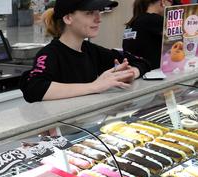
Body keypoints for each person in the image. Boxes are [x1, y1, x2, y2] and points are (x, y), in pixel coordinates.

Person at [20, 0, 151, 103]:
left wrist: (130, 74)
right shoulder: (49, 54)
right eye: (89, 13)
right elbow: (34, 88)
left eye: (98, 11)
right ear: (68, 18)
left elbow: (141, 61)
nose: (98, 19)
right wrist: (95, 86)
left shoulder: (91, 50)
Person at [123, 0, 171, 69]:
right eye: (171, 1)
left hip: (135, 69)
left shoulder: (134, 21)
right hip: (151, 72)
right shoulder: (155, 20)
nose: (171, 5)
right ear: (162, 2)